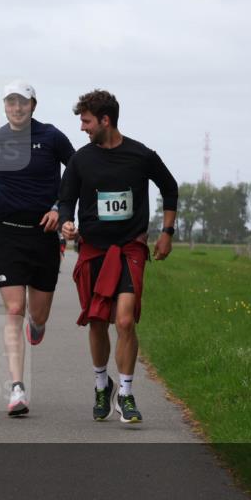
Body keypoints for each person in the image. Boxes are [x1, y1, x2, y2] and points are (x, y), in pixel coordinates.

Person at [58, 89, 178, 424]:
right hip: (93, 248)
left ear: (105, 120)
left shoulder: (141, 155)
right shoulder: (82, 159)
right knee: (98, 321)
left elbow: (170, 188)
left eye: (86, 121)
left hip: (130, 248)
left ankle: (125, 394)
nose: (82, 127)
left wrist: (167, 233)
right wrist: (67, 221)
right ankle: (101, 385)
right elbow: (65, 198)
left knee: (124, 320)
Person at [0, 81, 75, 416]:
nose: (16, 107)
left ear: (33, 105)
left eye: (22, 102)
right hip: (8, 236)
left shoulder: (52, 136)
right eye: (11, 102)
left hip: (44, 237)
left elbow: (76, 173)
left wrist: (61, 209)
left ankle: (38, 326)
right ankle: (17, 388)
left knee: (37, 314)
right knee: (14, 309)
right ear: (5, 106)